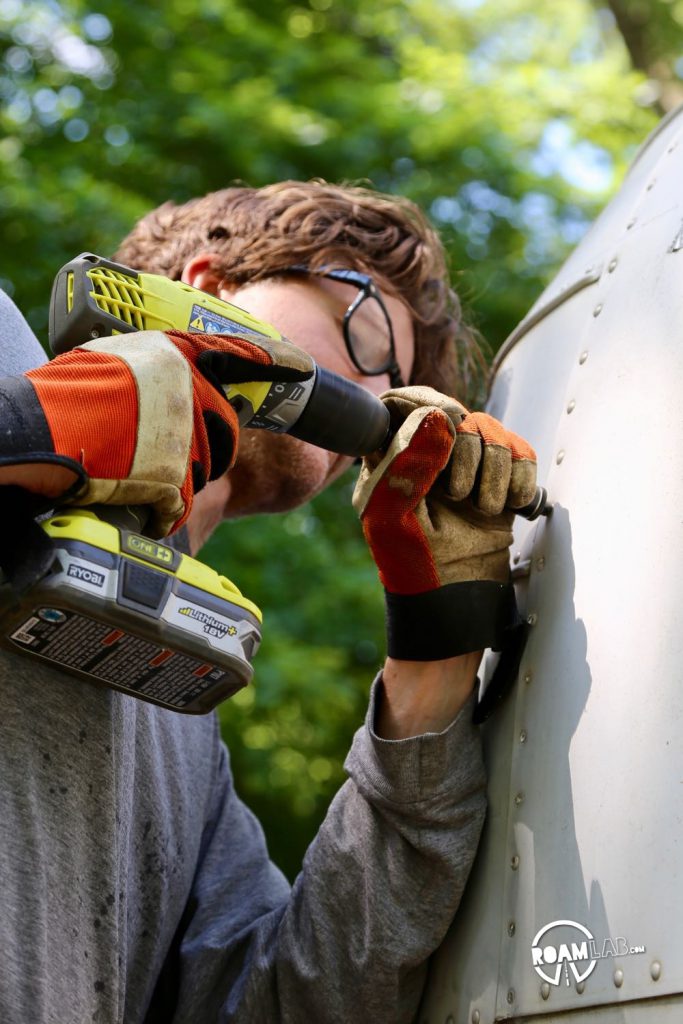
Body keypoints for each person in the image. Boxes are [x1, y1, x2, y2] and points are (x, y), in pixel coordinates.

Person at [0, 181, 536, 1023]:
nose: (377, 394)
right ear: (211, 288)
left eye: (395, 387)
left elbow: (292, 1005)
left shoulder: (183, 732)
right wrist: (26, 434)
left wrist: (433, 665)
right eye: (366, 330)